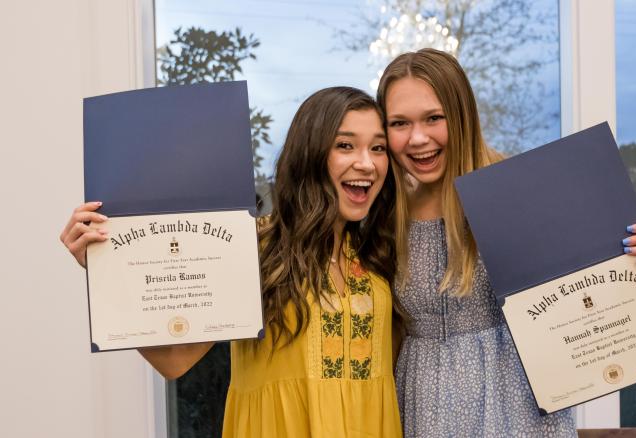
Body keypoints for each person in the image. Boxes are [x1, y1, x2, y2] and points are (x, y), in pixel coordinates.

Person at [60, 87, 403, 437]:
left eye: (378, 148)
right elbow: (174, 362)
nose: (367, 162)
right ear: (310, 154)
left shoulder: (379, 253)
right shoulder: (255, 245)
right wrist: (106, 270)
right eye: (345, 145)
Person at [376, 48, 636, 437]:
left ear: (462, 114)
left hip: (516, 405)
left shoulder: (520, 190)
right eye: (400, 123)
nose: (418, 138)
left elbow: (591, 283)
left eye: (434, 118)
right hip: (420, 402)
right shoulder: (384, 215)